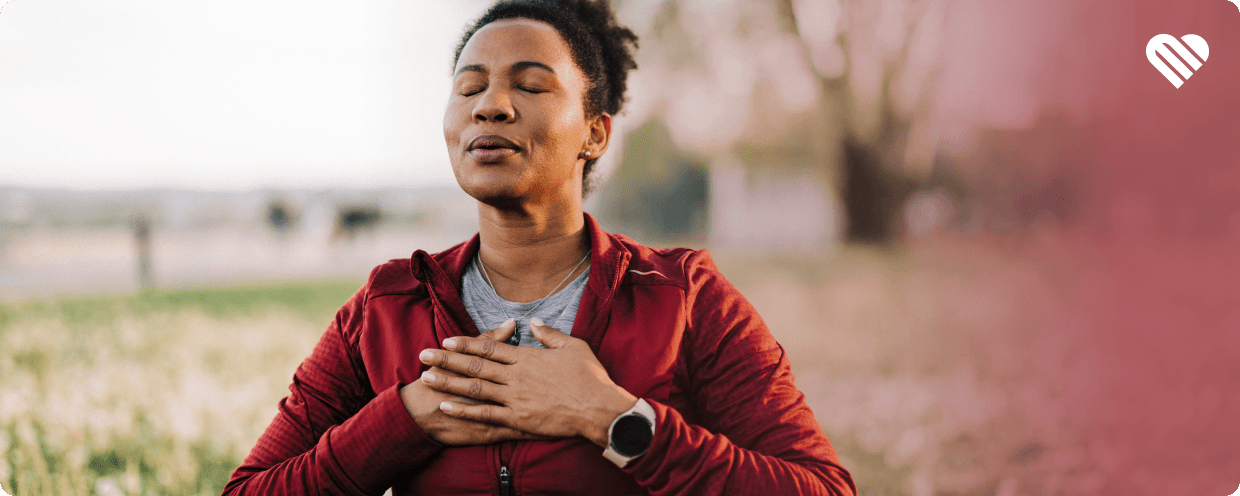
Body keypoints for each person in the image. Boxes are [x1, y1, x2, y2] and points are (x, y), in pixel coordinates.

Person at [223, 0, 856, 494]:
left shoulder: (682, 299)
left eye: (530, 85)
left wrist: (612, 417)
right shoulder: (387, 307)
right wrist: (403, 421)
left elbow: (822, 488)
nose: (491, 106)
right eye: (469, 88)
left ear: (594, 132)